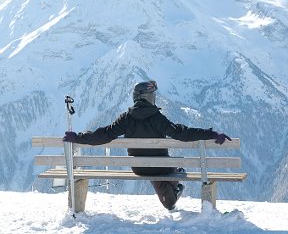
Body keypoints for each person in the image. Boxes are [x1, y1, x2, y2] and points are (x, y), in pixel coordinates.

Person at [63, 80, 231, 210]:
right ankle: (176, 175)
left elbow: (104, 134)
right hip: (162, 167)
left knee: (168, 202)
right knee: (167, 181)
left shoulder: (127, 118)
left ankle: (175, 182)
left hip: (139, 168)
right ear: (150, 97)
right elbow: (182, 133)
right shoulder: (157, 117)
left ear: (136, 97)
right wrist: (212, 134)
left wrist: (77, 137)